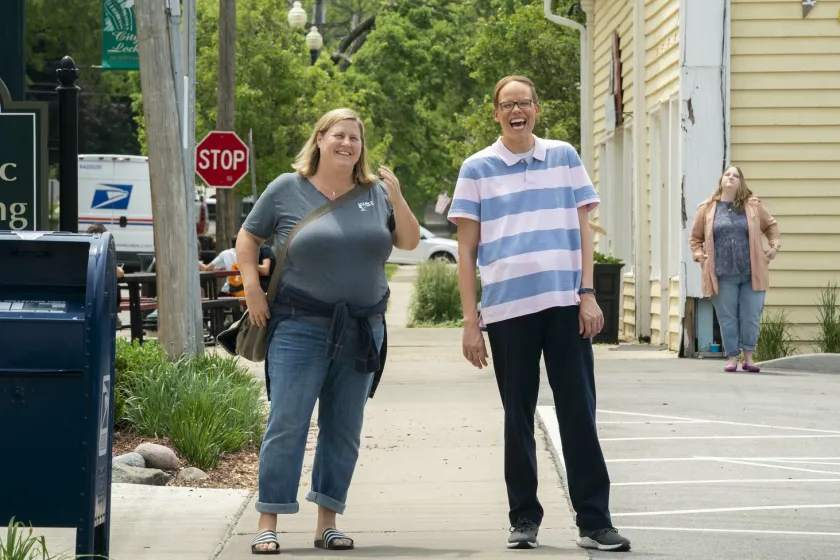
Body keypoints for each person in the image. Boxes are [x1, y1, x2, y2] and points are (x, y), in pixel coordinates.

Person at [448, 75, 630, 552]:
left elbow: (584, 229)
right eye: (508, 104)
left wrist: (587, 293)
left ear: (536, 109)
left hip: (566, 306)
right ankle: (523, 518)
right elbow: (466, 251)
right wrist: (473, 322)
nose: (516, 111)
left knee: (579, 413)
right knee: (517, 416)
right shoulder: (477, 168)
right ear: (495, 113)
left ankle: (595, 520)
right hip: (508, 311)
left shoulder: (564, 157)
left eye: (524, 102)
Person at [236, 108, 419, 555]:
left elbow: (410, 242)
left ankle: (327, 523)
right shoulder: (285, 189)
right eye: (339, 135)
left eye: (355, 138)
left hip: (361, 329)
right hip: (299, 326)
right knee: (287, 424)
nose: (348, 144)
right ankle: (269, 522)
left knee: (343, 429)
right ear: (319, 139)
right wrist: (253, 291)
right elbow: (247, 239)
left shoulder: (375, 193)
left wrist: (397, 197)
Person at [690, 165, 780, 373]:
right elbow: (695, 238)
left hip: (752, 273)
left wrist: (774, 247)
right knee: (727, 317)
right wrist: (698, 254)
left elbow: (771, 226)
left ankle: (748, 357)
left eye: (736, 175)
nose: (731, 177)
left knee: (751, 316)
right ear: (721, 180)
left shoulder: (753, 207)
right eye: (727, 174)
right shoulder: (707, 208)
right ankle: (732, 357)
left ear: (741, 182)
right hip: (722, 274)